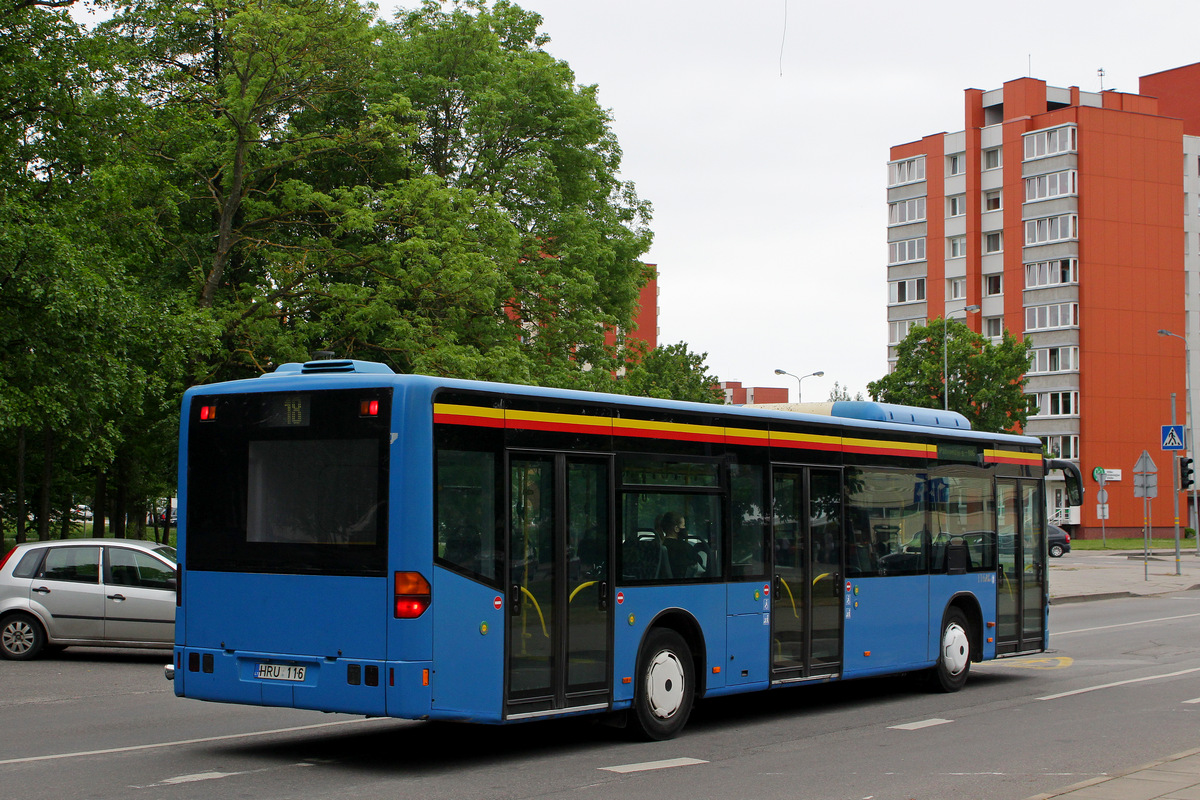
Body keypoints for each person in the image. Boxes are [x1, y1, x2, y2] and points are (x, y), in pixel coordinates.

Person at [658, 511, 702, 578]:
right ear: (676, 529)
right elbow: (699, 561)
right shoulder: (684, 547)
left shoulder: (660, 545)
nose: (684, 528)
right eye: (683, 525)